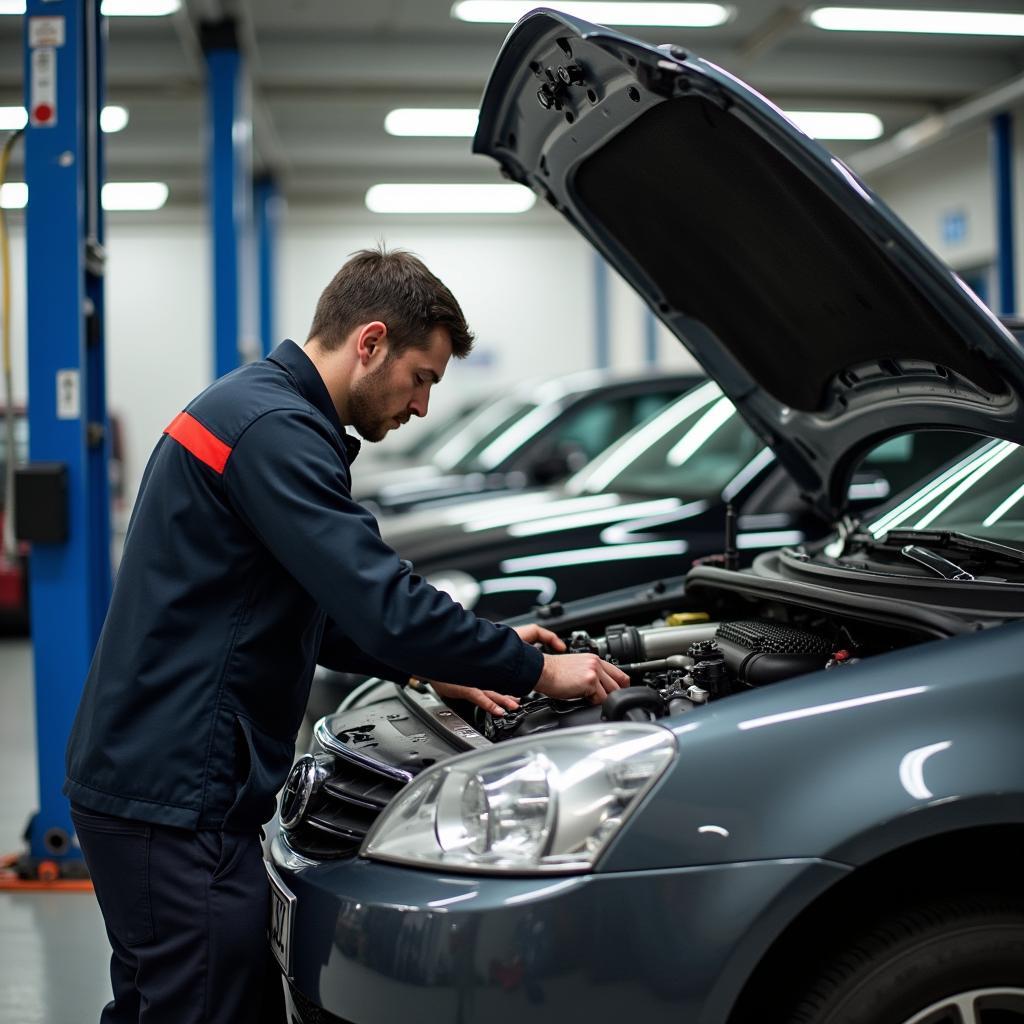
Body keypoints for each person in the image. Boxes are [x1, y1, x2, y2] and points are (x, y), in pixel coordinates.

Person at [64, 246, 629, 1024]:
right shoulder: (275, 429)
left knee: (169, 1003)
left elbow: (314, 614)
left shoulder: (254, 409)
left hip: (152, 782)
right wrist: (537, 673)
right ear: (370, 343)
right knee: (208, 1008)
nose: (423, 405)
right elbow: (379, 599)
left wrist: (444, 667)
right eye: (422, 378)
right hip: (172, 798)